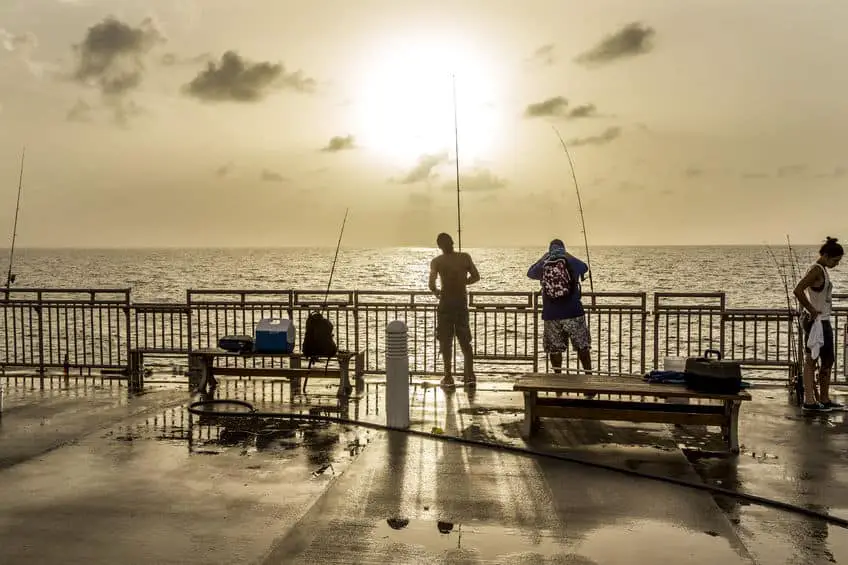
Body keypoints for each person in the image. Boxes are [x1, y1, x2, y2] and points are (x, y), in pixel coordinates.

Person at [793, 236, 844, 413]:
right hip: (818, 322)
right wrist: (811, 309)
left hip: (820, 320)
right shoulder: (817, 270)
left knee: (824, 359)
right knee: (814, 359)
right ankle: (811, 400)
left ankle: (822, 398)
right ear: (828, 256)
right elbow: (798, 290)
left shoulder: (819, 269)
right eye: (836, 261)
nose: (837, 264)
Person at [527, 239, 592, 374]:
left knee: (555, 349)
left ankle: (558, 381)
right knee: (582, 347)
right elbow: (584, 267)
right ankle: (588, 377)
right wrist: (567, 255)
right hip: (574, 312)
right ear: (563, 248)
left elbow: (530, 273)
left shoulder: (545, 263)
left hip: (551, 315)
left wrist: (544, 257)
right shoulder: (570, 261)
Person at [428, 232, 480, 389]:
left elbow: (431, 284)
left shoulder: (436, 261)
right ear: (452, 242)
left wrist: (437, 292)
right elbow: (476, 277)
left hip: (445, 306)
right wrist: (464, 282)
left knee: (446, 342)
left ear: (439, 246)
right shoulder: (465, 257)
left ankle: (448, 376)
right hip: (461, 305)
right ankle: (469, 375)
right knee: (465, 342)